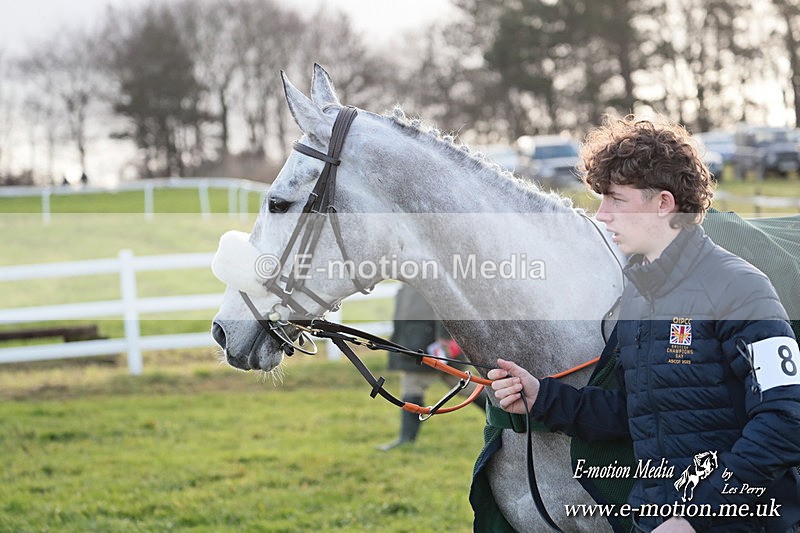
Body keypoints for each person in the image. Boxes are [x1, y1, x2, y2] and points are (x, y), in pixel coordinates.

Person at [488, 116, 800, 532]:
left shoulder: (740, 287)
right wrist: (542, 397)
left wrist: (698, 517)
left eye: (616, 200)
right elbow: (637, 411)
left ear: (663, 203)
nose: (602, 216)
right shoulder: (639, 295)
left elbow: (786, 419)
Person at [379, 283, 485, 451]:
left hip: (429, 345)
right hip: (417, 345)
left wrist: (443, 338)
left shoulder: (424, 278)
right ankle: (405, 440)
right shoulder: (408, 282)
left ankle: (406, 440)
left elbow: (440, 305)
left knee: (467, 387)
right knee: (464, 386)